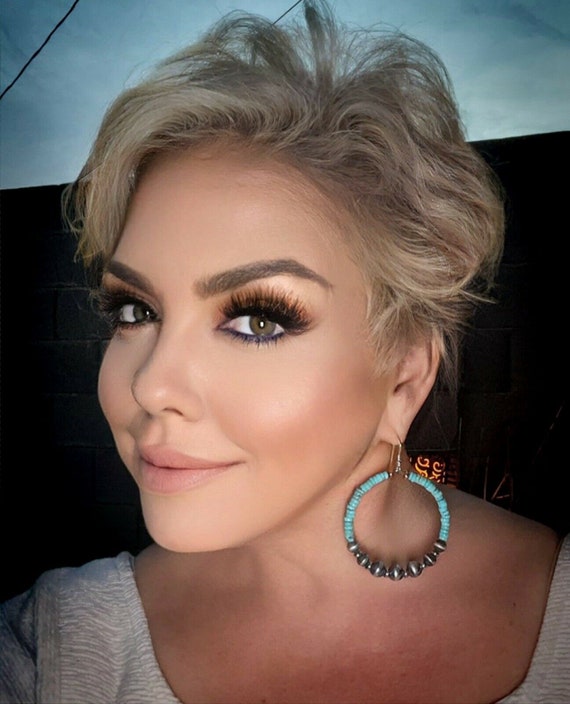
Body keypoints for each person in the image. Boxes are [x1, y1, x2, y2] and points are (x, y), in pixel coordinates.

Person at [1, 1, 568, 702]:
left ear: (405, 377)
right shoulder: (52, 648)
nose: (150, 386)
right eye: (136, 311)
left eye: (257, 320)